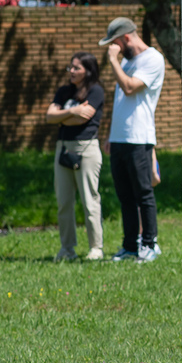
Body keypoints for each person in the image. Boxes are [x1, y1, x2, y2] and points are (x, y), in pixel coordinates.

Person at [99, 17, 164, 262]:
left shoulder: (153, 59)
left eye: (114, 42)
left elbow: (129, 88)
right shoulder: (127, 62)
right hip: (119, 139)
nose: (112, 48)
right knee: (125, 196)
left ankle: (150, 244)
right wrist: (110, 134)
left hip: (139, 137)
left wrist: (113, 60)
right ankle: (130, 245)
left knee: (143, 193)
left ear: (126, 37)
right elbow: (120, 102)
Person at [46, 51, 106, 261]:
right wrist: (72, 111)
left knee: (89, 200)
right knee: (64, 202)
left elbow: (83, 119)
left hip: (86, 149)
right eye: (70, 67)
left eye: (76, 68)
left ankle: (96, 248)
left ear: (88, 71)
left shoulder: (96, 91)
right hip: (63, 148)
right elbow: (49, 116)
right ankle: (67, 249)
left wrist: (61, 116)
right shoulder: (64, 91)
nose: (71, 71)